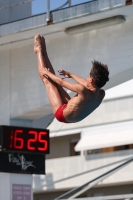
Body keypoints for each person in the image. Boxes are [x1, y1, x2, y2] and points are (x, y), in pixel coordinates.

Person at [34, 34, 109, 123]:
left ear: (91, 80)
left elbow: (61, 81)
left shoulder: (83, 89)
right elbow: (86, 84)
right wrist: (71, 74)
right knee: (55, 82)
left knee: (48, 80)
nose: (86, 77)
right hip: (74, 114)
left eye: (88, 76)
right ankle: (44, 52)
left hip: (62, 115)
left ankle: (39, 50)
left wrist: (46, 72)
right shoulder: (100, 93)